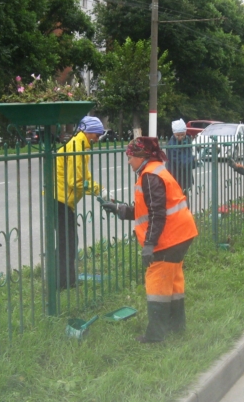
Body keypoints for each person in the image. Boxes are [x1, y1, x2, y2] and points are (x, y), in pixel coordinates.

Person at [101, 137, 198, 343]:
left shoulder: (149, 176)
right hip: (181, 233)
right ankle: (176, 327)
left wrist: (149, 245)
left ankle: (156, 337)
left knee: (157, 284)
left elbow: (157, 213)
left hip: (170, 238)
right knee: (172, 282)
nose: (129, 162)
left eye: (130, 157)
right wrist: (120, 209)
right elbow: (147, 209)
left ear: (141, 156)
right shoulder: (154, 170)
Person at [54, 115, 105, 289]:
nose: (98, 139)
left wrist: (98, 189)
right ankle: (63, 283)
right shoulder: (77, 146)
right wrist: (97, 190)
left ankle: (67, 280)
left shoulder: (81, 145)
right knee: (66, 243)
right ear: (87, 131)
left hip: (62, 200)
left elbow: (84, 176)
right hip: (59, 200)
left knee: (68, 242)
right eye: (96, 135)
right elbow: (75, 181)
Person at [165, 119, 196, 193]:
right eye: (178, 135)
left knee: (186, 197)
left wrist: (193, 161)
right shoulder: (172, 145)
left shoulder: (187, 139)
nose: (180, 137)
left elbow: (189, 154)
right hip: (175, 176)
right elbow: (180, 163)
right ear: (174, 133)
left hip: (186, 175)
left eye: (182, 134)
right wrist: (193, 159)